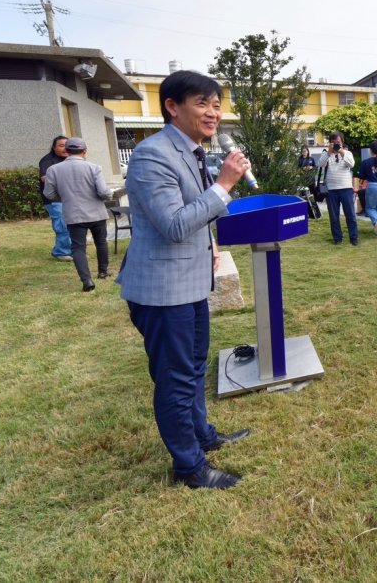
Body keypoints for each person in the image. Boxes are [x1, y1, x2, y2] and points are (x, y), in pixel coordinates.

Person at [117, 70, 251, 490]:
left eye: (216, 104)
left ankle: (202, 436)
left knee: (194, 368)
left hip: (191, 283)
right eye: (202, 103)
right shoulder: (152, 154)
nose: (213, 113)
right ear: (172, 106)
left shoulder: (192, 151)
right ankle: (189, 467)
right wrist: (225, 183)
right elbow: (174, 224)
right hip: (163, 290)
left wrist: (211, 237)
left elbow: (198, 211)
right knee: (175, 378)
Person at [43, 137, 114, 291]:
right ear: (85, 151)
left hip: (73, 214)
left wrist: (64, 196)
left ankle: (86, 280)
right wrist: (109, 194)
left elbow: (48, 194)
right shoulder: (94, 168)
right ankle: (103, 271)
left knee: (78, 247)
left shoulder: (53, 170)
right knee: (101, 242)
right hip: (96, 213)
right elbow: (103, 192)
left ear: (66, 151)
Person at [39, 135, 73, 262]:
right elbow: (44, 178)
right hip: (54, 199)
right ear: (54, 147)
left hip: (69, 198)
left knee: (72, 224)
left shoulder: (71, 159)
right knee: (62, 224)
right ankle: (61, 252)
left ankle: (71, 250)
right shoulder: (47, 160)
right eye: (61, 145)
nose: (65, 148)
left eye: (67, 145)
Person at [321, 131, 358, 245]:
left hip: (346, 188)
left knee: (350, 215)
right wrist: (328, 152)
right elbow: (320, 164)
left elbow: (351, 164)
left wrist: (341, 151)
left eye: (338, 142)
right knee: (334, 216)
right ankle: (337, 238)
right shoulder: (326, 154)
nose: (336, 144)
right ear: (330, 143)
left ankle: (354, 237)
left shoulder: (347, 153)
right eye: (333, 142)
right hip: (331, 190)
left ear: (342, 142)